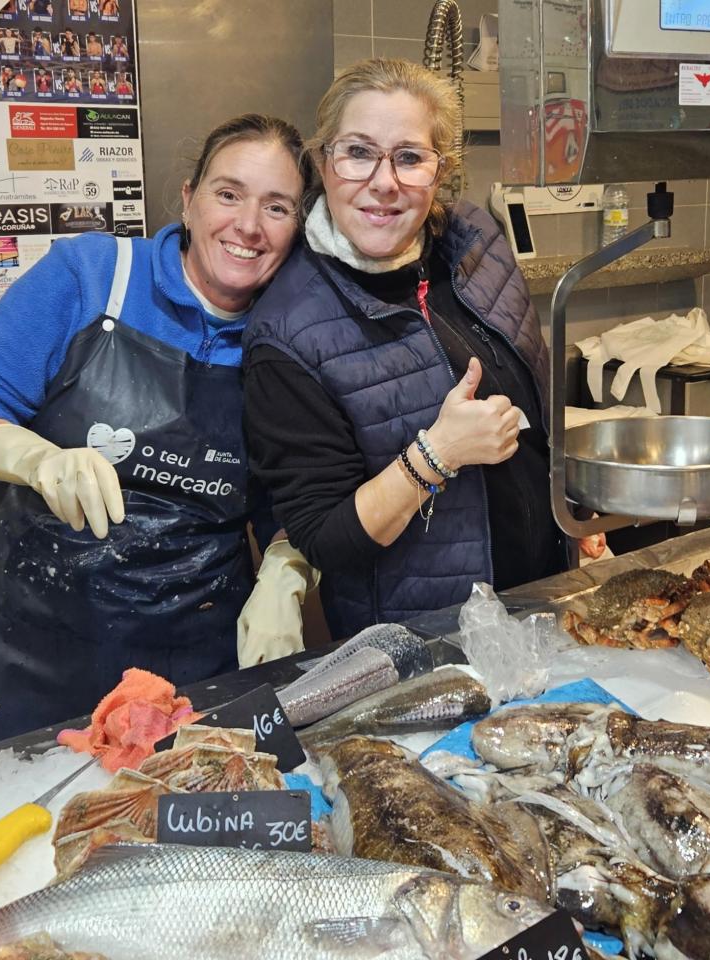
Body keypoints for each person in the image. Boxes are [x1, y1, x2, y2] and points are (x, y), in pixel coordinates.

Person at [0, 114, 317, 747]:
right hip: (33, 647)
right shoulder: (93, 275)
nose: (248, 225)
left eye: (277, 207)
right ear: (188, 200)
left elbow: (295, 494)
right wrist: (33, 458)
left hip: (196, 655)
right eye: (228, 193)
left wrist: (287, 568)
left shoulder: (294, 334)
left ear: (297, 228)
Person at [243, 58, 568, 640]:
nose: (385, 182)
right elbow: (326, 539)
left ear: (440, 171)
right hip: (429, 643)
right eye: (359, 152)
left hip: (545, 600)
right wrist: (438, 452)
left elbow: (536, 400)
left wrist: (574, 511)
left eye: (410, 157)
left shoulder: (477, 243)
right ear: (324, 162)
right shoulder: (287, 330)